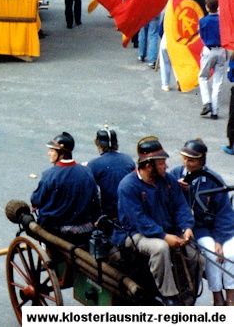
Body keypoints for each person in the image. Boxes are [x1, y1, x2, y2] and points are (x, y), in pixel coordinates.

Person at [115, 137, 200, 305]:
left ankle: (189, 295)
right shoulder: (128, 186)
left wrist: (186, 227)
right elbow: (140, 221)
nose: (166, 166)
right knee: (160, 248)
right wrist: (164, 236)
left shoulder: (167, 181)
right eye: (162, 163)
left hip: (165, 231)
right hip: (136, 234)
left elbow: (180, 207)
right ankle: (169, 296)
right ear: (148, 166)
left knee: (196, 256)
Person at [170, 139, 234, 305]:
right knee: (212, 254)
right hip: (198, 228)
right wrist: (175, 189)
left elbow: (225, 213)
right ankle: (217, 297)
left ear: (201, 160)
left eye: (191, 160)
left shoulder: (212, 178)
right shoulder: (176, 175)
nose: (187, 163)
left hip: (219, 228)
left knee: (230, 253)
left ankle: (230, 298)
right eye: (184, 159)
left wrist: (220, 239)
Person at [30, 132, 100, 245]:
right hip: (84, 230)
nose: (49, 153)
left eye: (52, 150)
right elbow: (95, 201)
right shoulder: (86, 171)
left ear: (61, 154)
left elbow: (37, 199)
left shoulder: (49, 175)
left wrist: (34, 204)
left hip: (58, 230)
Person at [87, 127, 135, 222]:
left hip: (109, 214)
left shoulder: (94, 164)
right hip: (129, 210)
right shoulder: (128, 159)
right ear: (116, 144)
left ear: (97, 144)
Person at [198, 0, 226, 120]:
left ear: (207, 7)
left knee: (203, 77)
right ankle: (215, 111)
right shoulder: (222, 20)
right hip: (221, 50)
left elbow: (202, 37)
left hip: (209, 50)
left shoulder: (203, 21)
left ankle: (207, 102)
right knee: (218, 82)